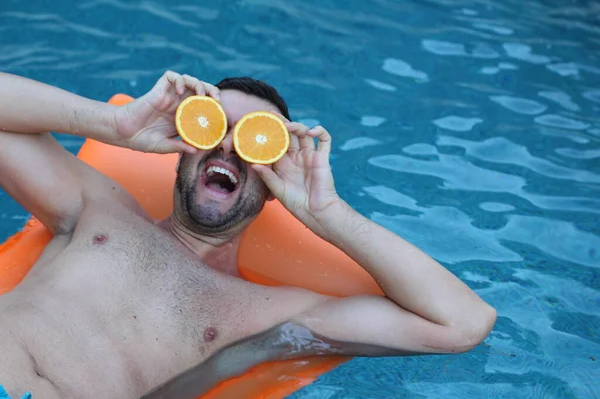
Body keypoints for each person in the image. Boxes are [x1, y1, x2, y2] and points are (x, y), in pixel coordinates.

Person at [0, 70, 496, 399]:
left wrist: (327, 212)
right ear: (183, 144)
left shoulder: (273, 314)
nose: (229, 148)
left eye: (257, 140)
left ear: (277, 178)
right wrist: (112, 123)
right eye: (213, 127)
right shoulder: (98, 209)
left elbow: (462, 324)